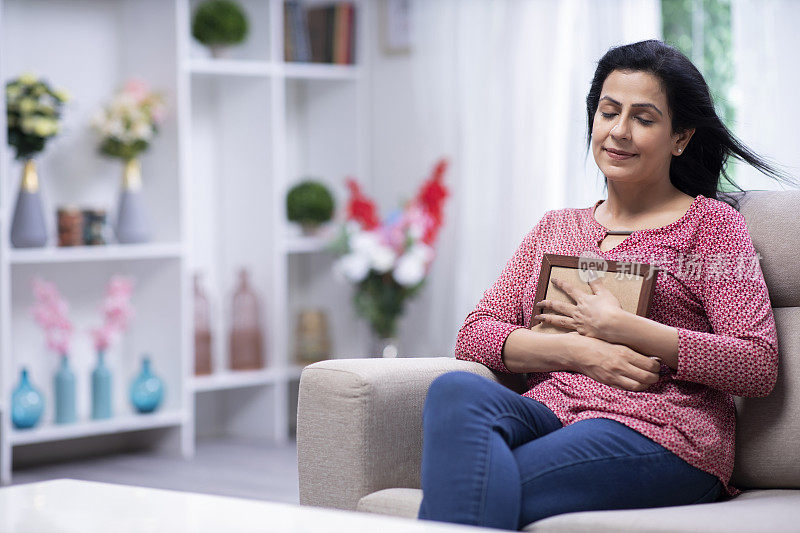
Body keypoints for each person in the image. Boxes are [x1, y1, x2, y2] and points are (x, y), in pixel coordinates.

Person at [416, 39, 795, 531]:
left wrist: (625, 328)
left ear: (679, 138)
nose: (618, 131)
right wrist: (581, 353)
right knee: (453, 392)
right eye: (608, 112)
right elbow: (476, 333)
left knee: (480, 482)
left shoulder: (712, 227)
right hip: (553, 412)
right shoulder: (556, 227)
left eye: (643, 117)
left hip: (663, 433)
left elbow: (756, 363)